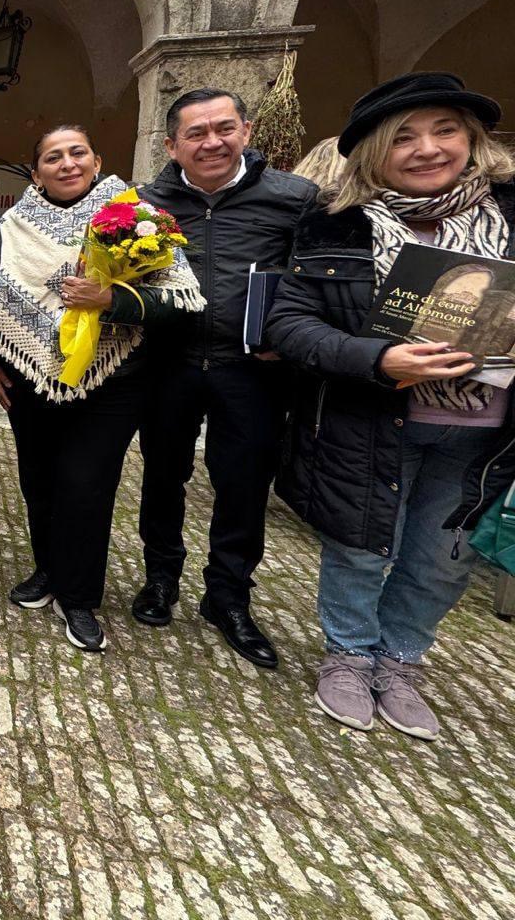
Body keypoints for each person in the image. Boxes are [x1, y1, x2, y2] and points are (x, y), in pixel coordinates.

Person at [267, 72, 515, 741]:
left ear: (472, 140)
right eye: (403, 137)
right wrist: (377, 359)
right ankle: (348, 654)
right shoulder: (336, 226)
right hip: (372, 415)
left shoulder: (512, 216)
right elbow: (289, 324)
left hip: (481, 432)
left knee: (441, 557)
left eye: (444, 131)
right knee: (358, 544)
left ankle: (401, 662)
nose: (426, 148)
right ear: (375, 151)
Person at [0, 126, 203, 651]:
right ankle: (48, 571)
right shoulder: (11, 226)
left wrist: (112, 301)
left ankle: (79, 597)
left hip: (113, 381)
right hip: (31, 376)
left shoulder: (136, 217)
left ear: (97, 159)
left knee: (86, 485)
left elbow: (183, 301)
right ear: (35, 173)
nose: (66, 164)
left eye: (77, 153)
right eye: (52, 157)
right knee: (37, 481)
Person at [134, 89, 317, 669]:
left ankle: (229, 596)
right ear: (171, 145)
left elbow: (318, 281)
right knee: (163, 476)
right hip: (170, 364)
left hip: (253, 371)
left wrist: (290, 338)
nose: (211, 142)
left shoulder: (295, 199)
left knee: (242, 485)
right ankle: (161, 579)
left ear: (246, 129)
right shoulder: (145, 203)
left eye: (224, 128)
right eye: (196, 133)